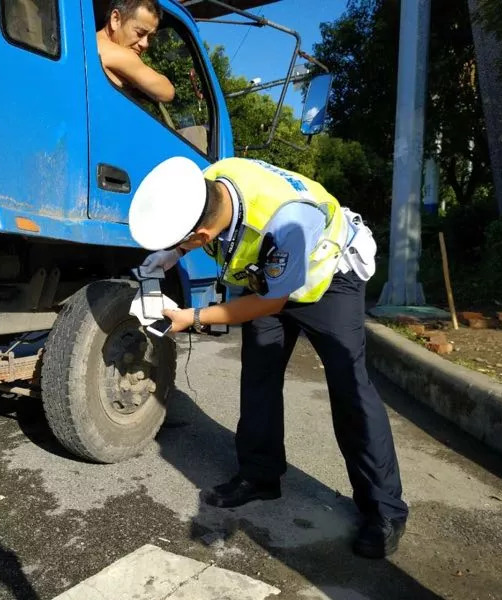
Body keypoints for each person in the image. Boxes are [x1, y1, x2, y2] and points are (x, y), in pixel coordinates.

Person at [128, 156, 409, 559]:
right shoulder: (208, 181)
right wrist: (169, 255)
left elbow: (270, 303)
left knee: (351, 387)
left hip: (329, 280)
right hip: (271, 274)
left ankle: (385, 510)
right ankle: (259, 475)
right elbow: (262, 284)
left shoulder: (285, 223)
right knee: (259, 374)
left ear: (204, 236)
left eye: (187, 243)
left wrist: (193, 317)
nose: (183, 247)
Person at [96, 0, 175, 103]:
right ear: (115, 19)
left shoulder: (92, 43)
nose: (145, 44)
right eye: (140, 33)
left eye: (150, 37)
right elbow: (167, 92)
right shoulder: (117, 54)